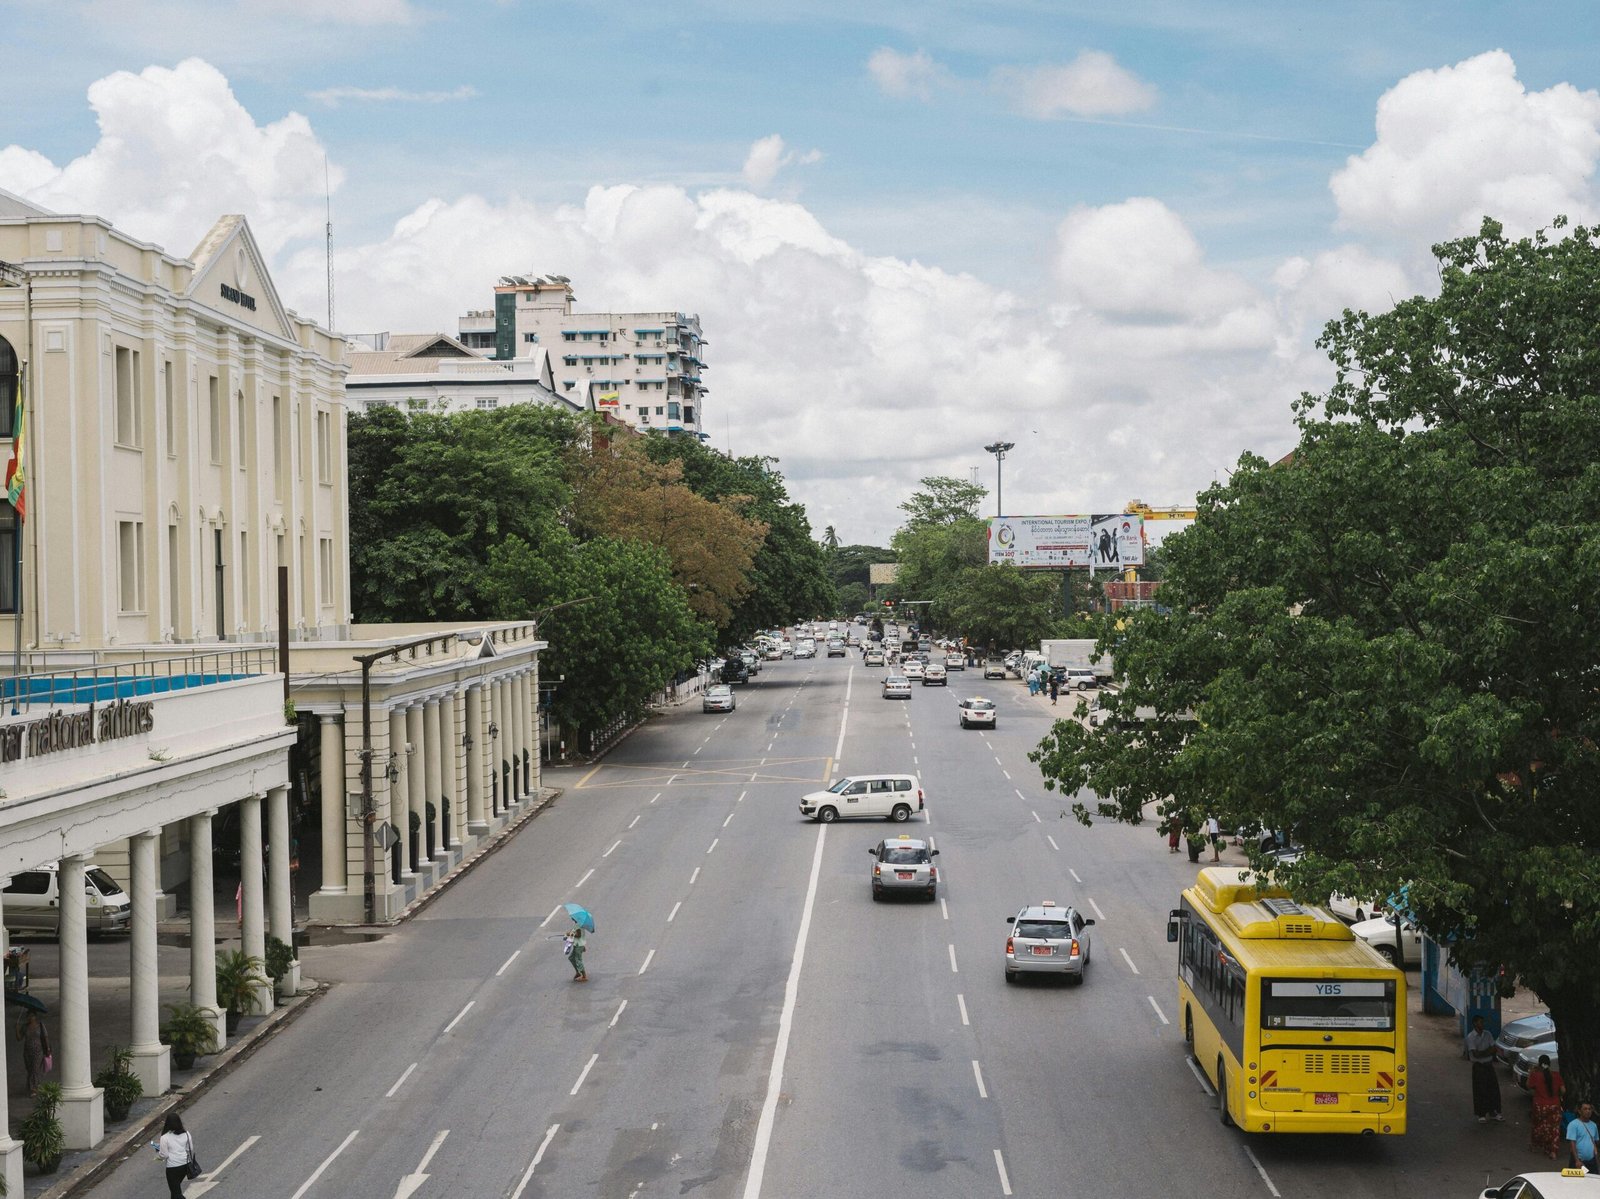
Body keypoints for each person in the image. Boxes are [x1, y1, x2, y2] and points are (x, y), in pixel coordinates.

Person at [1464, 1015, 1502, 1122]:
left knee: (1493, 1089)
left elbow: (1494, 1048)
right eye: (1480, 1022)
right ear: (1475, 1024)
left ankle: (1493, 1111)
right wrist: (1487, 1051)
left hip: (1488, 1065)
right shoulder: (1471, 1037)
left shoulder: (1487, 1034)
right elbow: (1476, 1054)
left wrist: (1484, 1052)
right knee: (1480, 1090)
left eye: (1482, 1022)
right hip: (1479, 1066)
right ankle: (1481, 1113)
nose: (1482, 1024)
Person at [1529, 1054, 1566, 1158]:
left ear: (1539, 1064)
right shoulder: (1557, 1075)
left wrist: (1531, 1073)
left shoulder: (1536, 1075)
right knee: (1554, 1128)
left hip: (1539, 1105)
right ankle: (1553, 1151)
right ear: (1549, 1064)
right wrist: (1558, 1096)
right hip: (1554, 1105)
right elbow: (1563, 1090)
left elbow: (1529, 1086)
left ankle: (1535, 1145)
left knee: (1538, 1126)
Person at [153, 1111, 196, 1197]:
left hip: (172, 1168)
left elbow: (164, 1155)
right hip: (185, 1165)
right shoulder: (186, 1134)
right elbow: (190, 1149)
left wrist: (158, 1154)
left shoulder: (164, 1137)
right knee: (174, 1192)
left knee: (176, 1193)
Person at [16, 1010, 48, 1096]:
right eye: (28, 1016)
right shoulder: (25, 1027)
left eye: (32, 1016)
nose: (30, 1018)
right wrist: (17, 1028)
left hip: (38, 1051)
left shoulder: (40, 1026)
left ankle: (33, 1089)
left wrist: (47, 1048)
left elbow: (45, 1037)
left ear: (35, 1017)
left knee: (35, 1069)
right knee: (30, 1070)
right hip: (27, 1052)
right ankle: (35, 1085)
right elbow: (19, 1038)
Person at [1569, 1101, 1599, 1173]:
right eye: (1585, 1109)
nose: (1588, 1111)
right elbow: (1572, 1143)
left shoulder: (1594, 1125)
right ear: (1579, 1111)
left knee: (1593, 1181)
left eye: (1589, 1109)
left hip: (1591, 1161)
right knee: (1577, 1182)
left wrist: (1596, 1160)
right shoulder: (1573, 1124)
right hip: (1579, 1161)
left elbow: (1595, 1143)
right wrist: (1577, 1161)